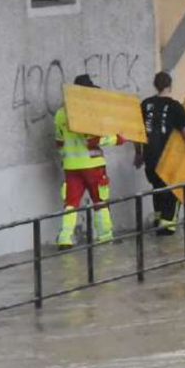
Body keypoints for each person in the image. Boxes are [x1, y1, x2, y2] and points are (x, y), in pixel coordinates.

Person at [53, 74, 125, 249]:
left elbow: (59, 142)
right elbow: (95, 140)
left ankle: (65, 238)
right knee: (100, 201)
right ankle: (105, 236)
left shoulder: (61, 113)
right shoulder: (88, 112)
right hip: (93, 165)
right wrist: (117, 139)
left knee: (70, 203)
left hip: (71, 167)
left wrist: (68, 157)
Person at [134, 72, 185, 236]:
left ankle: (159, 220)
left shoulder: (145, 105)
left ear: (155, 85)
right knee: (174, 190)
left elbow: (136, 133)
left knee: (157, 187)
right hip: (169, 157)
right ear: (170, 86)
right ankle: (167, 227)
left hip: (150, 157)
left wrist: (138, 154)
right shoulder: (175, 107)